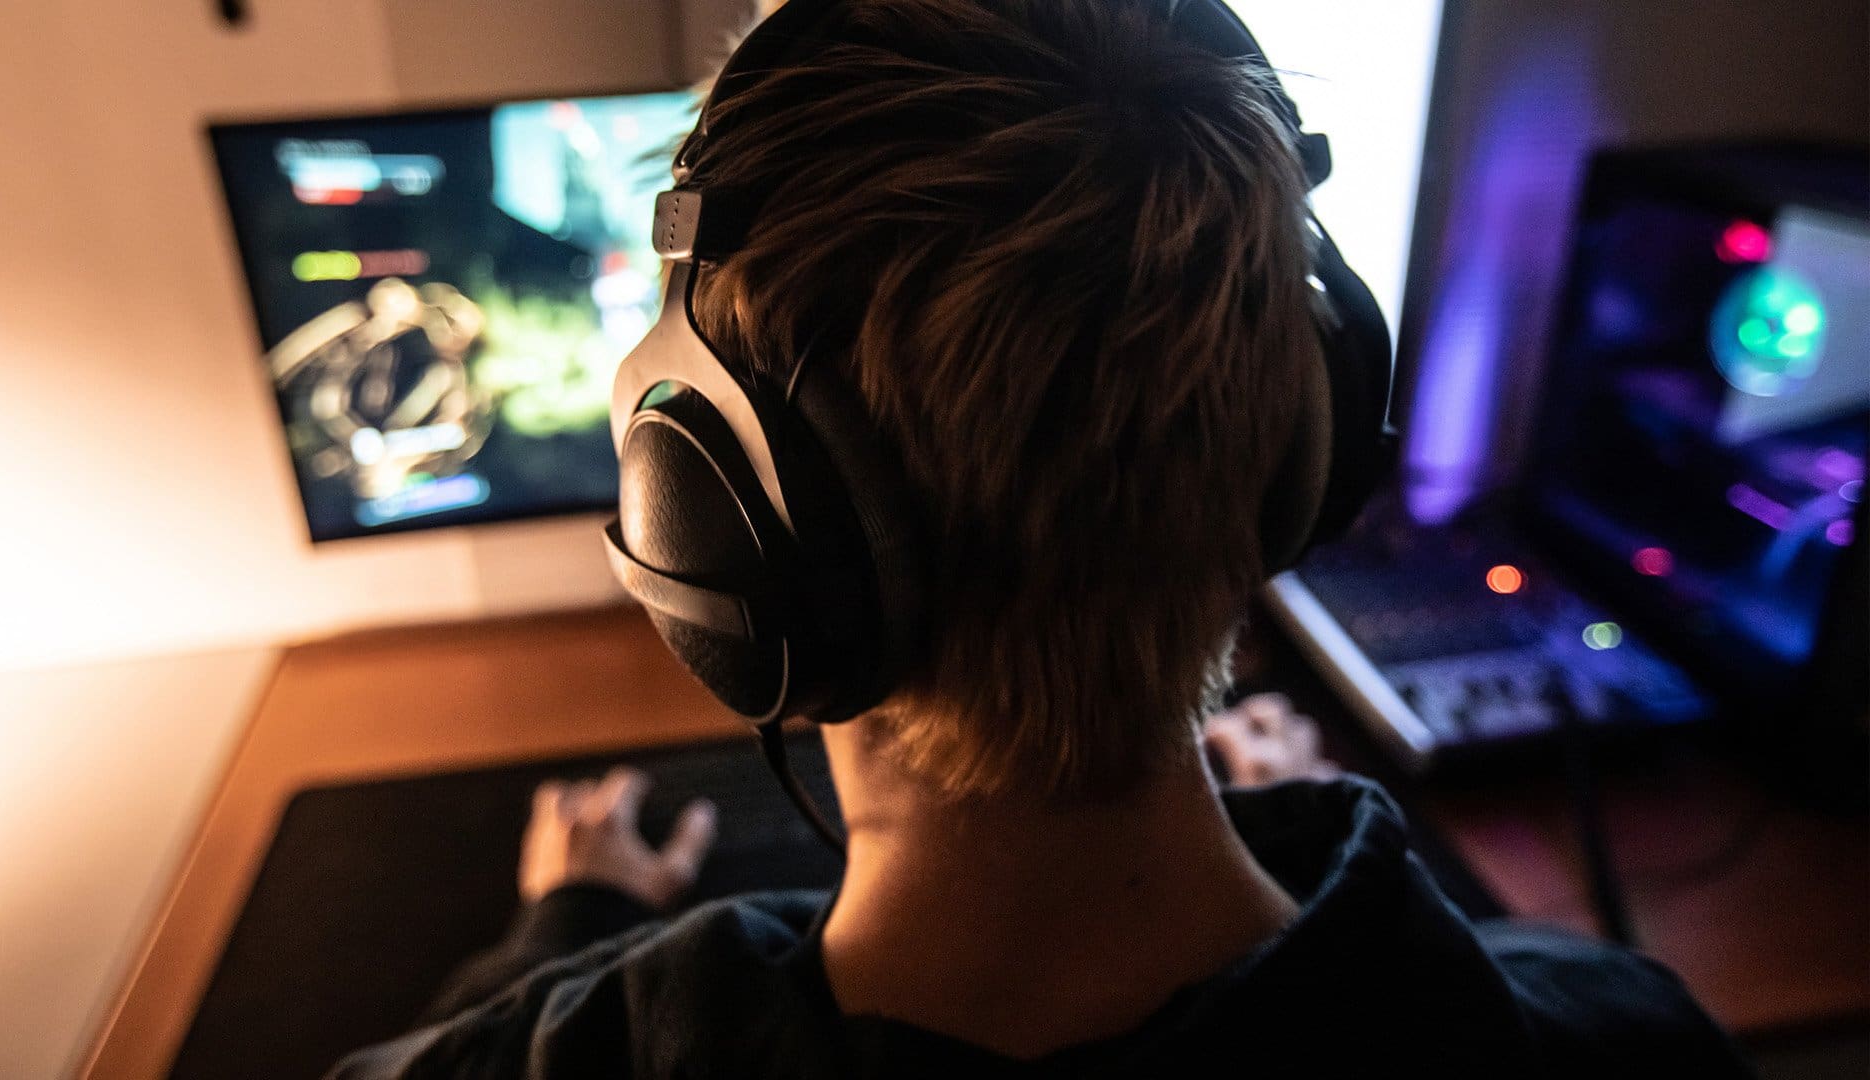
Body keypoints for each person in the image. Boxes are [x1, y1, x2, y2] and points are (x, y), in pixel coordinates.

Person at [331, 0, 1750, 1075]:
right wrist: (1287, 830)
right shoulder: (1632, 1040)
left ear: (710, 509)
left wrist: (563, 929)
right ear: (1304, 439)